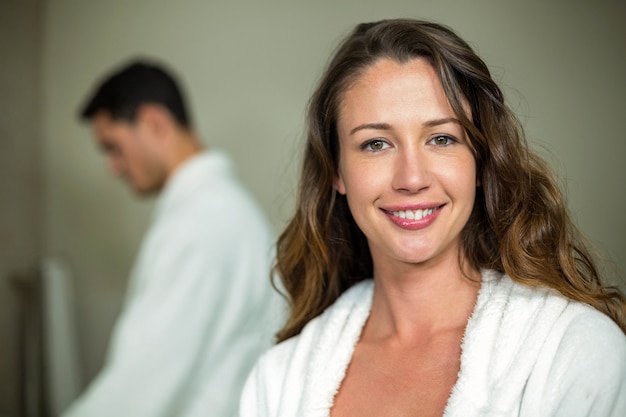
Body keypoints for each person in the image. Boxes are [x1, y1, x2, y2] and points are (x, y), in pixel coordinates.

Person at [239, 18, 626, 417]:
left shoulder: (572, 350)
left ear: (481, 159)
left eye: (442, 138)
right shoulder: (279, 378)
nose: (412, 179)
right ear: (337, 171)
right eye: (375, 144)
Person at [64, 59, 281, 417]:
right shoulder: (218, 208)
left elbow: (138, 391)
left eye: (113, 146)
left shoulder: (201, 222)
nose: (112, 166)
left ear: (153, 122)